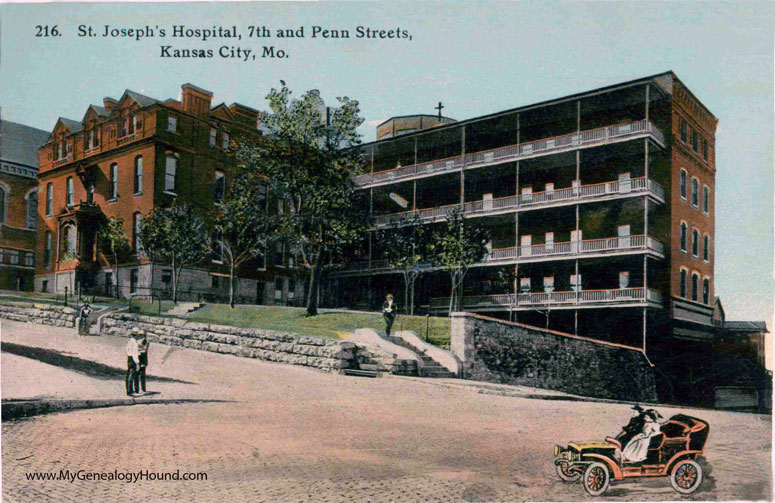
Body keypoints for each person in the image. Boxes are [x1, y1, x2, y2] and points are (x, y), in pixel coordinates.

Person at [125, 328, 142, 396]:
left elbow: (126, 350)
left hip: (129, 358)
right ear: (136, 335)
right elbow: (135, 354)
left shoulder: (129, 341)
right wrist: (137, 363)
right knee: (132, 375)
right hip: (133, 360)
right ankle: (130, 391)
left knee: (129, 374)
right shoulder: (134, 343)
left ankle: (129, 390)